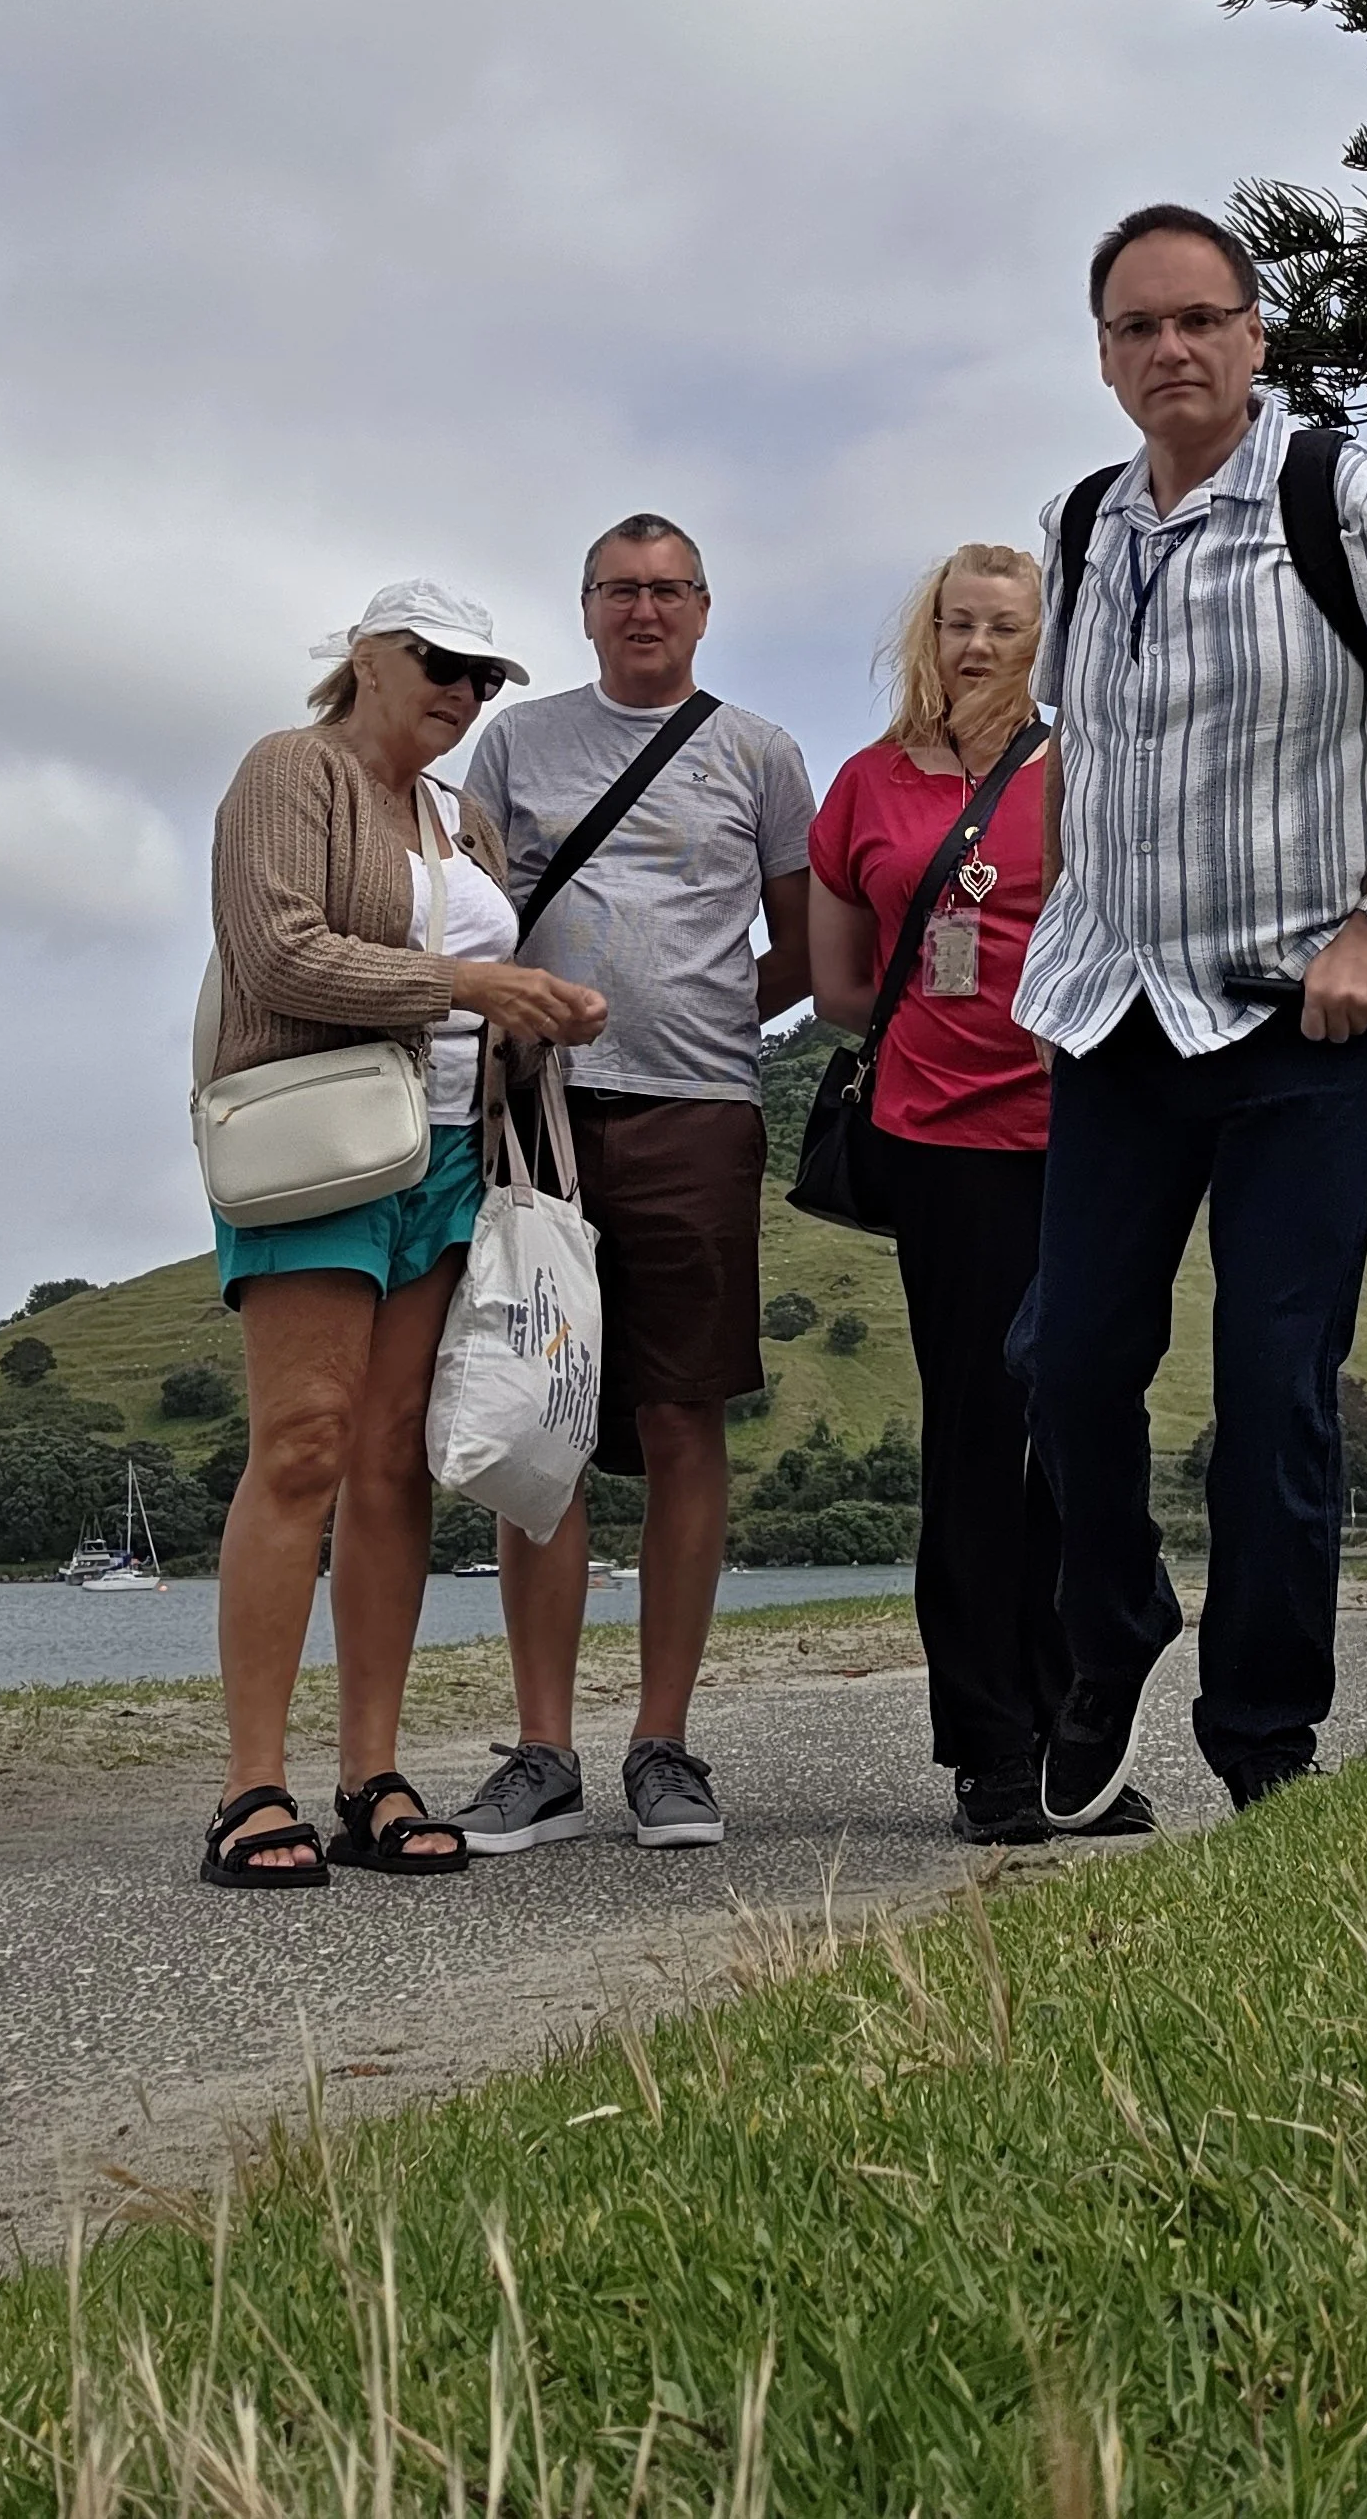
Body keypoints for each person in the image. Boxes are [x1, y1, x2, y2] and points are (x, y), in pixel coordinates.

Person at [1013, 205, 1367, 1827]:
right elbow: (1080, 751)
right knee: (1067, 1364)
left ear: (1256, 332)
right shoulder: (1081, 523)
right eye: (1136, 329)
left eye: (1200, 319)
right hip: (1112, 1011)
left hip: (1303, 1021)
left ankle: (1263, 1744)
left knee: (1274, 1383)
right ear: (1103, 361)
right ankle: (1114, 1643)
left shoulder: (1355, 498)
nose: (1171, 350)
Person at [200, 581, 606, 1891]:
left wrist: (531, 1014)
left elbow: (464, 986)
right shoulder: (292, 771)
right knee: (303, 1443)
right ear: (367, 658)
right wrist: (469, 982)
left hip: (443, 1156)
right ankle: (250, 1787)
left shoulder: (462, 818)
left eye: (484, 676)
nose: (462, 690)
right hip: (319, 1142)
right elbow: (278, 954)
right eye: (436, 661)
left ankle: (368, 1769)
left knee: (392, 1461)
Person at [457, 514, 814, 1852]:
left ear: (707, 610)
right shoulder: (517, 743)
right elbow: (479, 919)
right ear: (587, 608)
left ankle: (663, 1744)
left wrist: (713, 1009)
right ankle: (542, 1751)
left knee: (680, 1418)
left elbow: (805, 939)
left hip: (699, 1109)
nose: (646, 610)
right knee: (537, 1425)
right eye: (622, 590)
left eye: (670, 591)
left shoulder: (762, 754)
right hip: (538, 1115)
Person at [808, 547, 1153, 1848]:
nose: (976, 647)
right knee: (972, 1436)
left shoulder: (1086, 769)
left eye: (1005, 628)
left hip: (1082, 1135)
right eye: (957, 623)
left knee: (1076, 1428)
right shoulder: (868, 787)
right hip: (936, 1143)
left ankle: (1077, 1732)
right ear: (927, 635)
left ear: (1042, 642)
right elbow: (843, 986)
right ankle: (987, 1748)